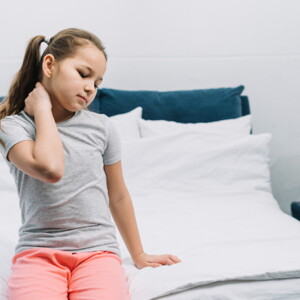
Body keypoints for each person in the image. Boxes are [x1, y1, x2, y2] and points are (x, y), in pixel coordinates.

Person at [0, 28, 181, 300]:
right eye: (83, 74)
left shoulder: (102, 128)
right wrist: (42, 111)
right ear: (49, 65)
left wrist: (138, 254)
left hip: (98, 253)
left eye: (97, 83)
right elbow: (50, 168)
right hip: (38, 253)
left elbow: (118, 195)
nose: (90, 88)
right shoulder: (13, 127)